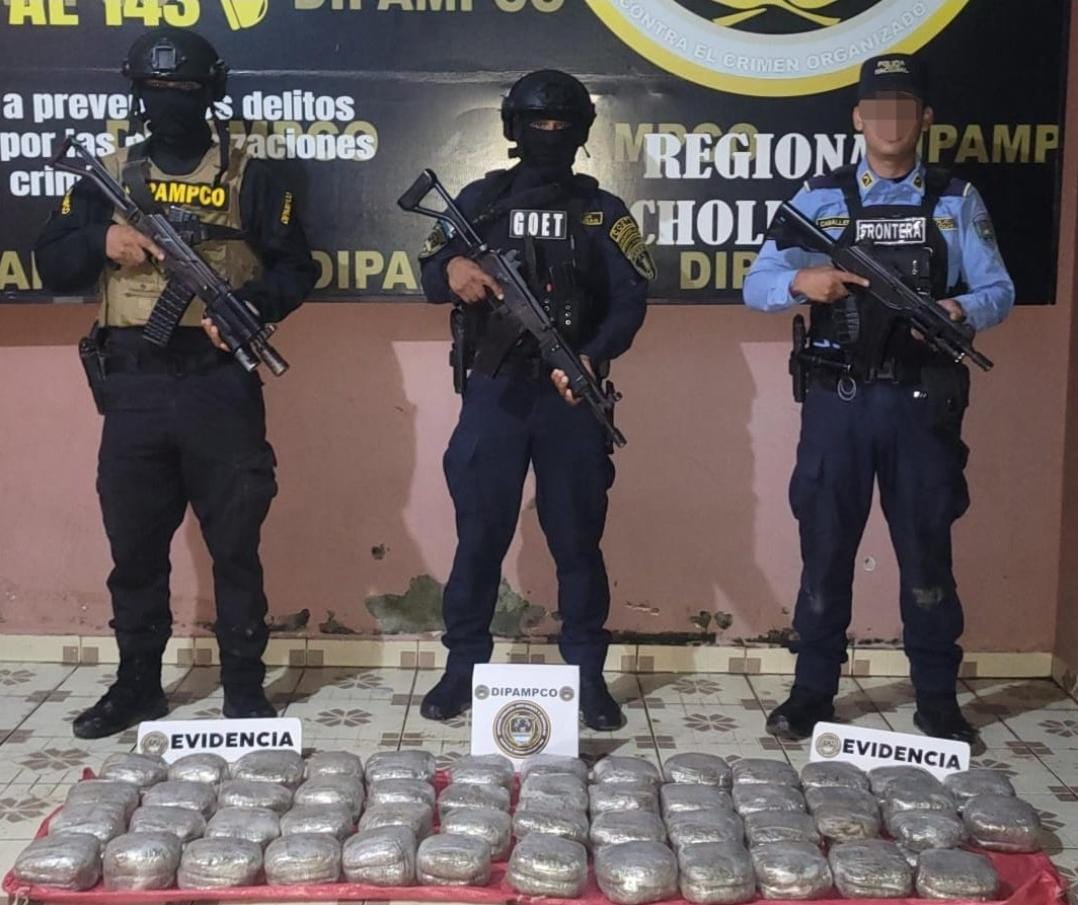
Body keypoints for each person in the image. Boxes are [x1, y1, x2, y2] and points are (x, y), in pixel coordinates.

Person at [35, 27, 318, 739]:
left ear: (209, 92)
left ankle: (243, 687)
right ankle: (138, 684)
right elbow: (53, 260)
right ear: (137, 93)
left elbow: (298, 266)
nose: (170, 102)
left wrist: (252, 305)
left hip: (219, 382)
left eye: (184, 90)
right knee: (134, 548)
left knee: (234, 544)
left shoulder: (253, 176)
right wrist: (103, 240)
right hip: (133, 385)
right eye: (156, 90)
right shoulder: (107, 175)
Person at [743, 54, 1014, 744]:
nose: (891, 120)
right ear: (859, 119)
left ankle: (936, 698)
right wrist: (804, 282)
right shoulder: (819, 199)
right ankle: (812, 692)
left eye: (905, 107)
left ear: (924, 118)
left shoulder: (956, 198)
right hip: (839, 402)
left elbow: (999, 290)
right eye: (879, 108)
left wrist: (958, 309)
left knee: (926, 553)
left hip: (922, 403)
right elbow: (756, 283)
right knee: (825, 549)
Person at [417, 70, 651, 730]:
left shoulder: (603, 210)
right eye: (537, 124)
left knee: (577, 539)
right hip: (494, 391)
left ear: (580, 134)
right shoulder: (480, 200)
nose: (549, 134)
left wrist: (592, 355)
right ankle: (463, 668)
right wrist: (452, 269)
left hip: (569, 395)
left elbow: (631, 301)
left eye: (561, 125)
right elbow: (430, 268)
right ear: (513, 129)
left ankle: (586, 676)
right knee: (479, 536)